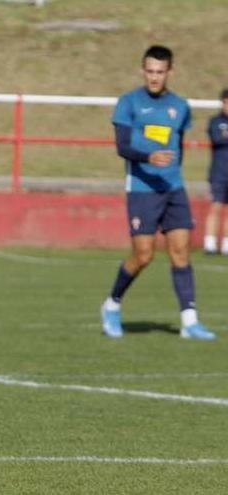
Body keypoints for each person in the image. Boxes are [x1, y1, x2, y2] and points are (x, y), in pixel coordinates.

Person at [99, 45, 214, 340]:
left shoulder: (180, 106)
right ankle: (111, 305)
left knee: (180, 253)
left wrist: (173, 174)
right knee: (144, 255)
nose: (154, 77)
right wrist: (148, 159)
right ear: (143, 70)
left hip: (173, 189)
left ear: (169, 73)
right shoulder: (128, 103)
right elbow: (122, 147)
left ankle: (189, 322)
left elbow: (178, 145)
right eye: (149, 71)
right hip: (142, 189)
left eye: (160, 72)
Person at [202, 89, 228, 255]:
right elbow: (217, 138)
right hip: (219, 173)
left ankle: (226, 245)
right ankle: (210, 243)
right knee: (216, 207)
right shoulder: (215, 121)